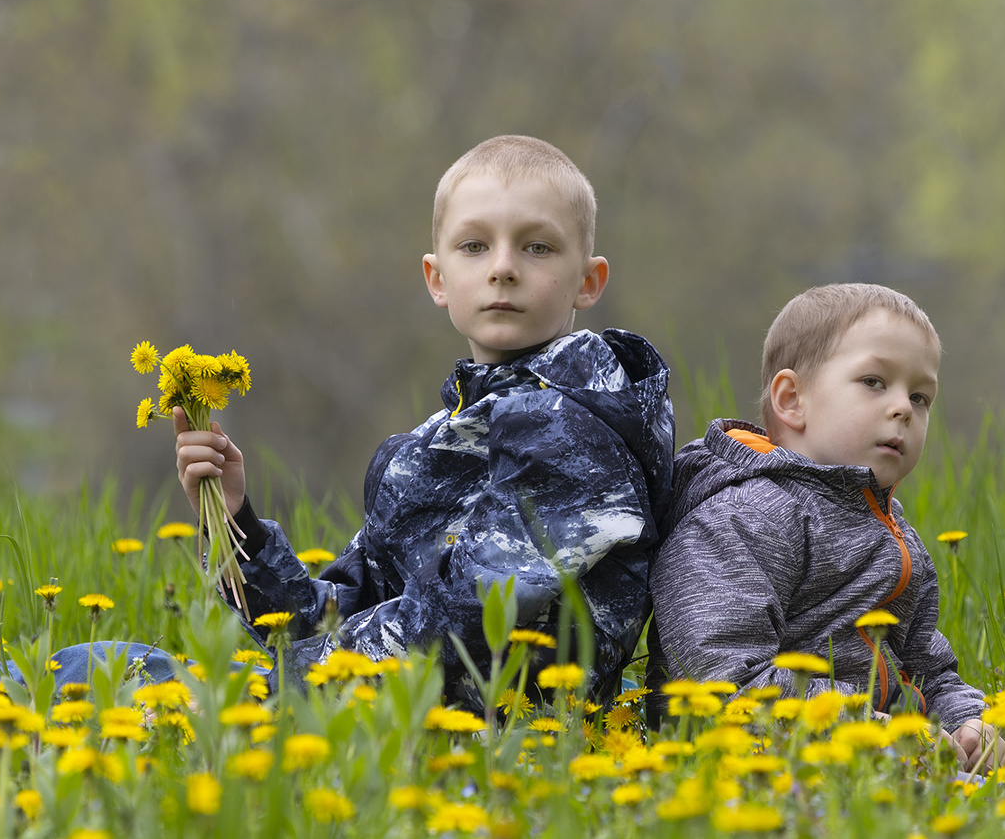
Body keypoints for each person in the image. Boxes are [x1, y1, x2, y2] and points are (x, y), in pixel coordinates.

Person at [176, 135, 675, 710]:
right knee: (103, 669)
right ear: (437, 279)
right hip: (382, 714)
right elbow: (332, 621)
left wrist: (276, 686)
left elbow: (457, 629)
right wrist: (238, 525)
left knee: (116, 680)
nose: (504, 268)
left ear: (588, 281)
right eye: (474, 246)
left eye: (537, 248)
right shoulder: (434, 442)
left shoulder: (574, 435)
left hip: (503, 746)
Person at [647, 283, 1005, 770]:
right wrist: (884, 734)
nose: (903, 407)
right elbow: (721, 686)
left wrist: (967, 722)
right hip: (748, 768)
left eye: (920, 396)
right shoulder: (740, 518)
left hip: (871, 758)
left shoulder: (891, 532)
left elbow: (924, 668)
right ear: (792, 400)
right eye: (875, 382)